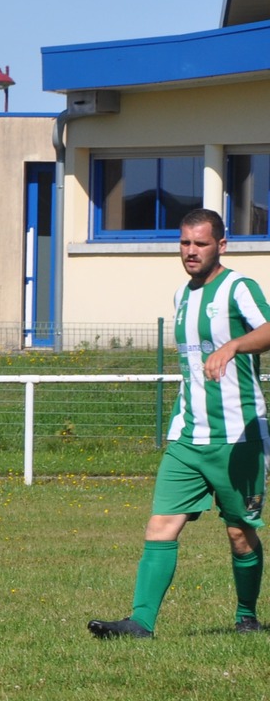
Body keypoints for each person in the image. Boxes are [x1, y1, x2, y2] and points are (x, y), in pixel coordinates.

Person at [91, 209, 270, 638]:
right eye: (185, 243)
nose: (191, 251)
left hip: (239, 436)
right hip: (189, 436)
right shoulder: (182, 296)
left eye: (201, 243)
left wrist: (233, 347)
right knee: (160, 525)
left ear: (221, 246)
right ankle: (140, 623)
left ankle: (247, 616)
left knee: (239, 534)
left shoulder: (238, 288)